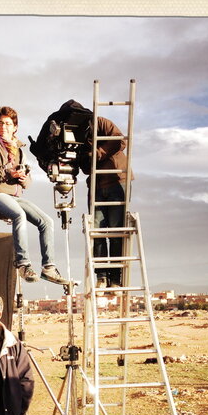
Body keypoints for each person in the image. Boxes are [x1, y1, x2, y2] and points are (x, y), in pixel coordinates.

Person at [0, 105, 67, 285]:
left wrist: (23, 177)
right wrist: (8, 173)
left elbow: (28, 182)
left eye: (8, 123)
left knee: (47, 221)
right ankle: (23, 264)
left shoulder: (19, 150)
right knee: (20, 214)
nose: (4, 126)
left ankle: (48, 267)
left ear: (15, 127)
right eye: (1, 123)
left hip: (13, 197)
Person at [80, 115, 130, 290]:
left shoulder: (99, 121)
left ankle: (115, 278)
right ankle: (101, 277)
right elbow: (85, 167)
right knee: (97, 232)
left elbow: (119, 141)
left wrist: (96, 153)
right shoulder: (77, 136)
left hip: (118, 180)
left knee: (116, 232)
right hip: (96, 185)